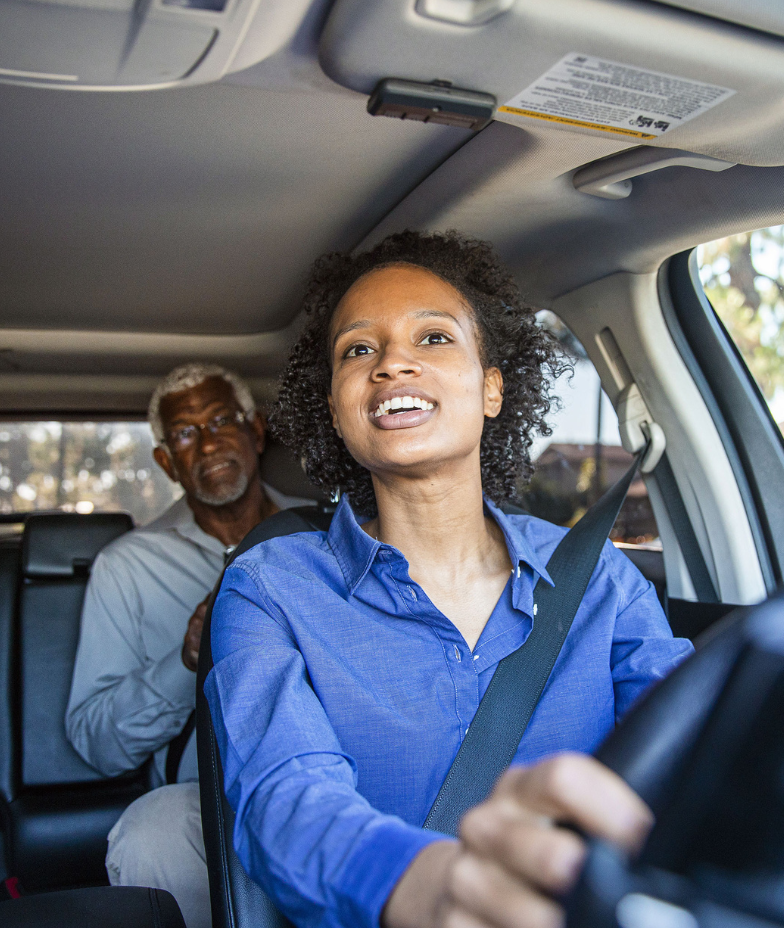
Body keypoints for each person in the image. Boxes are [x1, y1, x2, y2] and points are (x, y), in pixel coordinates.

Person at [204, 230, 695, 928]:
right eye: (358, 350)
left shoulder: (599, 581)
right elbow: (283, 795)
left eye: (433, 339)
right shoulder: (269, 589)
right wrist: (426, 883)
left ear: (492, 388)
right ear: (338, 412)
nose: (392, 363)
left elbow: (697, 739)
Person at [66, 363, 307, 928]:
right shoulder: (127, 567)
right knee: (152, 830)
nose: (208, 441)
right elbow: (96, 742)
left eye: (222, 419)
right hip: (212, 794)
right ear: (165, 461)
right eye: (184, 433)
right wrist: (186, 662)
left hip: (346, 766)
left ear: (256, 430)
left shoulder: (329, 531)